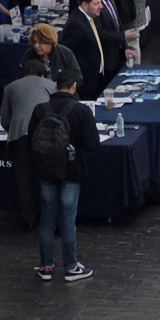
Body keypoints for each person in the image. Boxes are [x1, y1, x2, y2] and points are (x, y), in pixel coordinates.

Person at [28, 70, 100, 282]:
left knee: (47, 219)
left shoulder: (41, 110)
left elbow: (31, 140)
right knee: (68, 220)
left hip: (45, 171)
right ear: (74, 86)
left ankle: (46, 266)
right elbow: (93, 143)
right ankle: (70, 267)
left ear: (55, 85)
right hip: (71, 172)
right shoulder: (81, 111)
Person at [0, 60, 56, 229]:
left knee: (23, 179)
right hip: (45, 135)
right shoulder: (51, 85)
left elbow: (4, 120)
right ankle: (48, 216)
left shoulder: (10, 87)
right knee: (46, 177)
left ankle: (29, 219)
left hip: (20, 136)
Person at [89, 0, 139, 83]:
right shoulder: (93, 3)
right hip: (107, 61)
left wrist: (125, 47)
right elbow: (99, 34)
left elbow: (117, 25)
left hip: (118, 56)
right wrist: (123, 36)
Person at [63, 0, 108, 100]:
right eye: (96, 3)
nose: (101, 6)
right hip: (85, 83)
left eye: (100, 2)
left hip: (94, 78)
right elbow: (67, 52)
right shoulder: (76, 25)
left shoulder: (89, 18)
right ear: (85, 5)